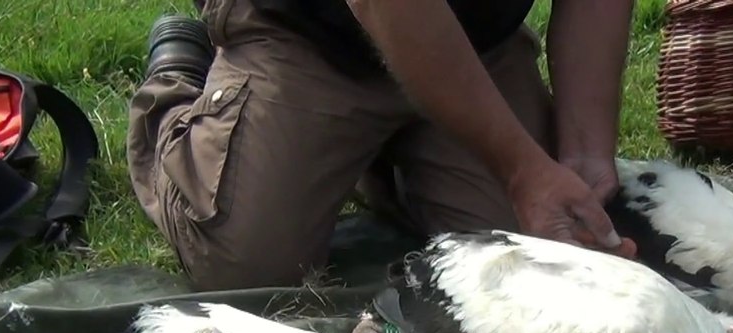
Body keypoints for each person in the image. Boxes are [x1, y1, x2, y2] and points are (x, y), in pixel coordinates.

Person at [126, 0, 637, 291]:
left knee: (529, 263)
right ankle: (176, 81)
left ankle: (382, 150)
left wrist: (583, 150)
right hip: (301, 29)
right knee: (249, 267)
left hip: (472, 40)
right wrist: (524, 170)